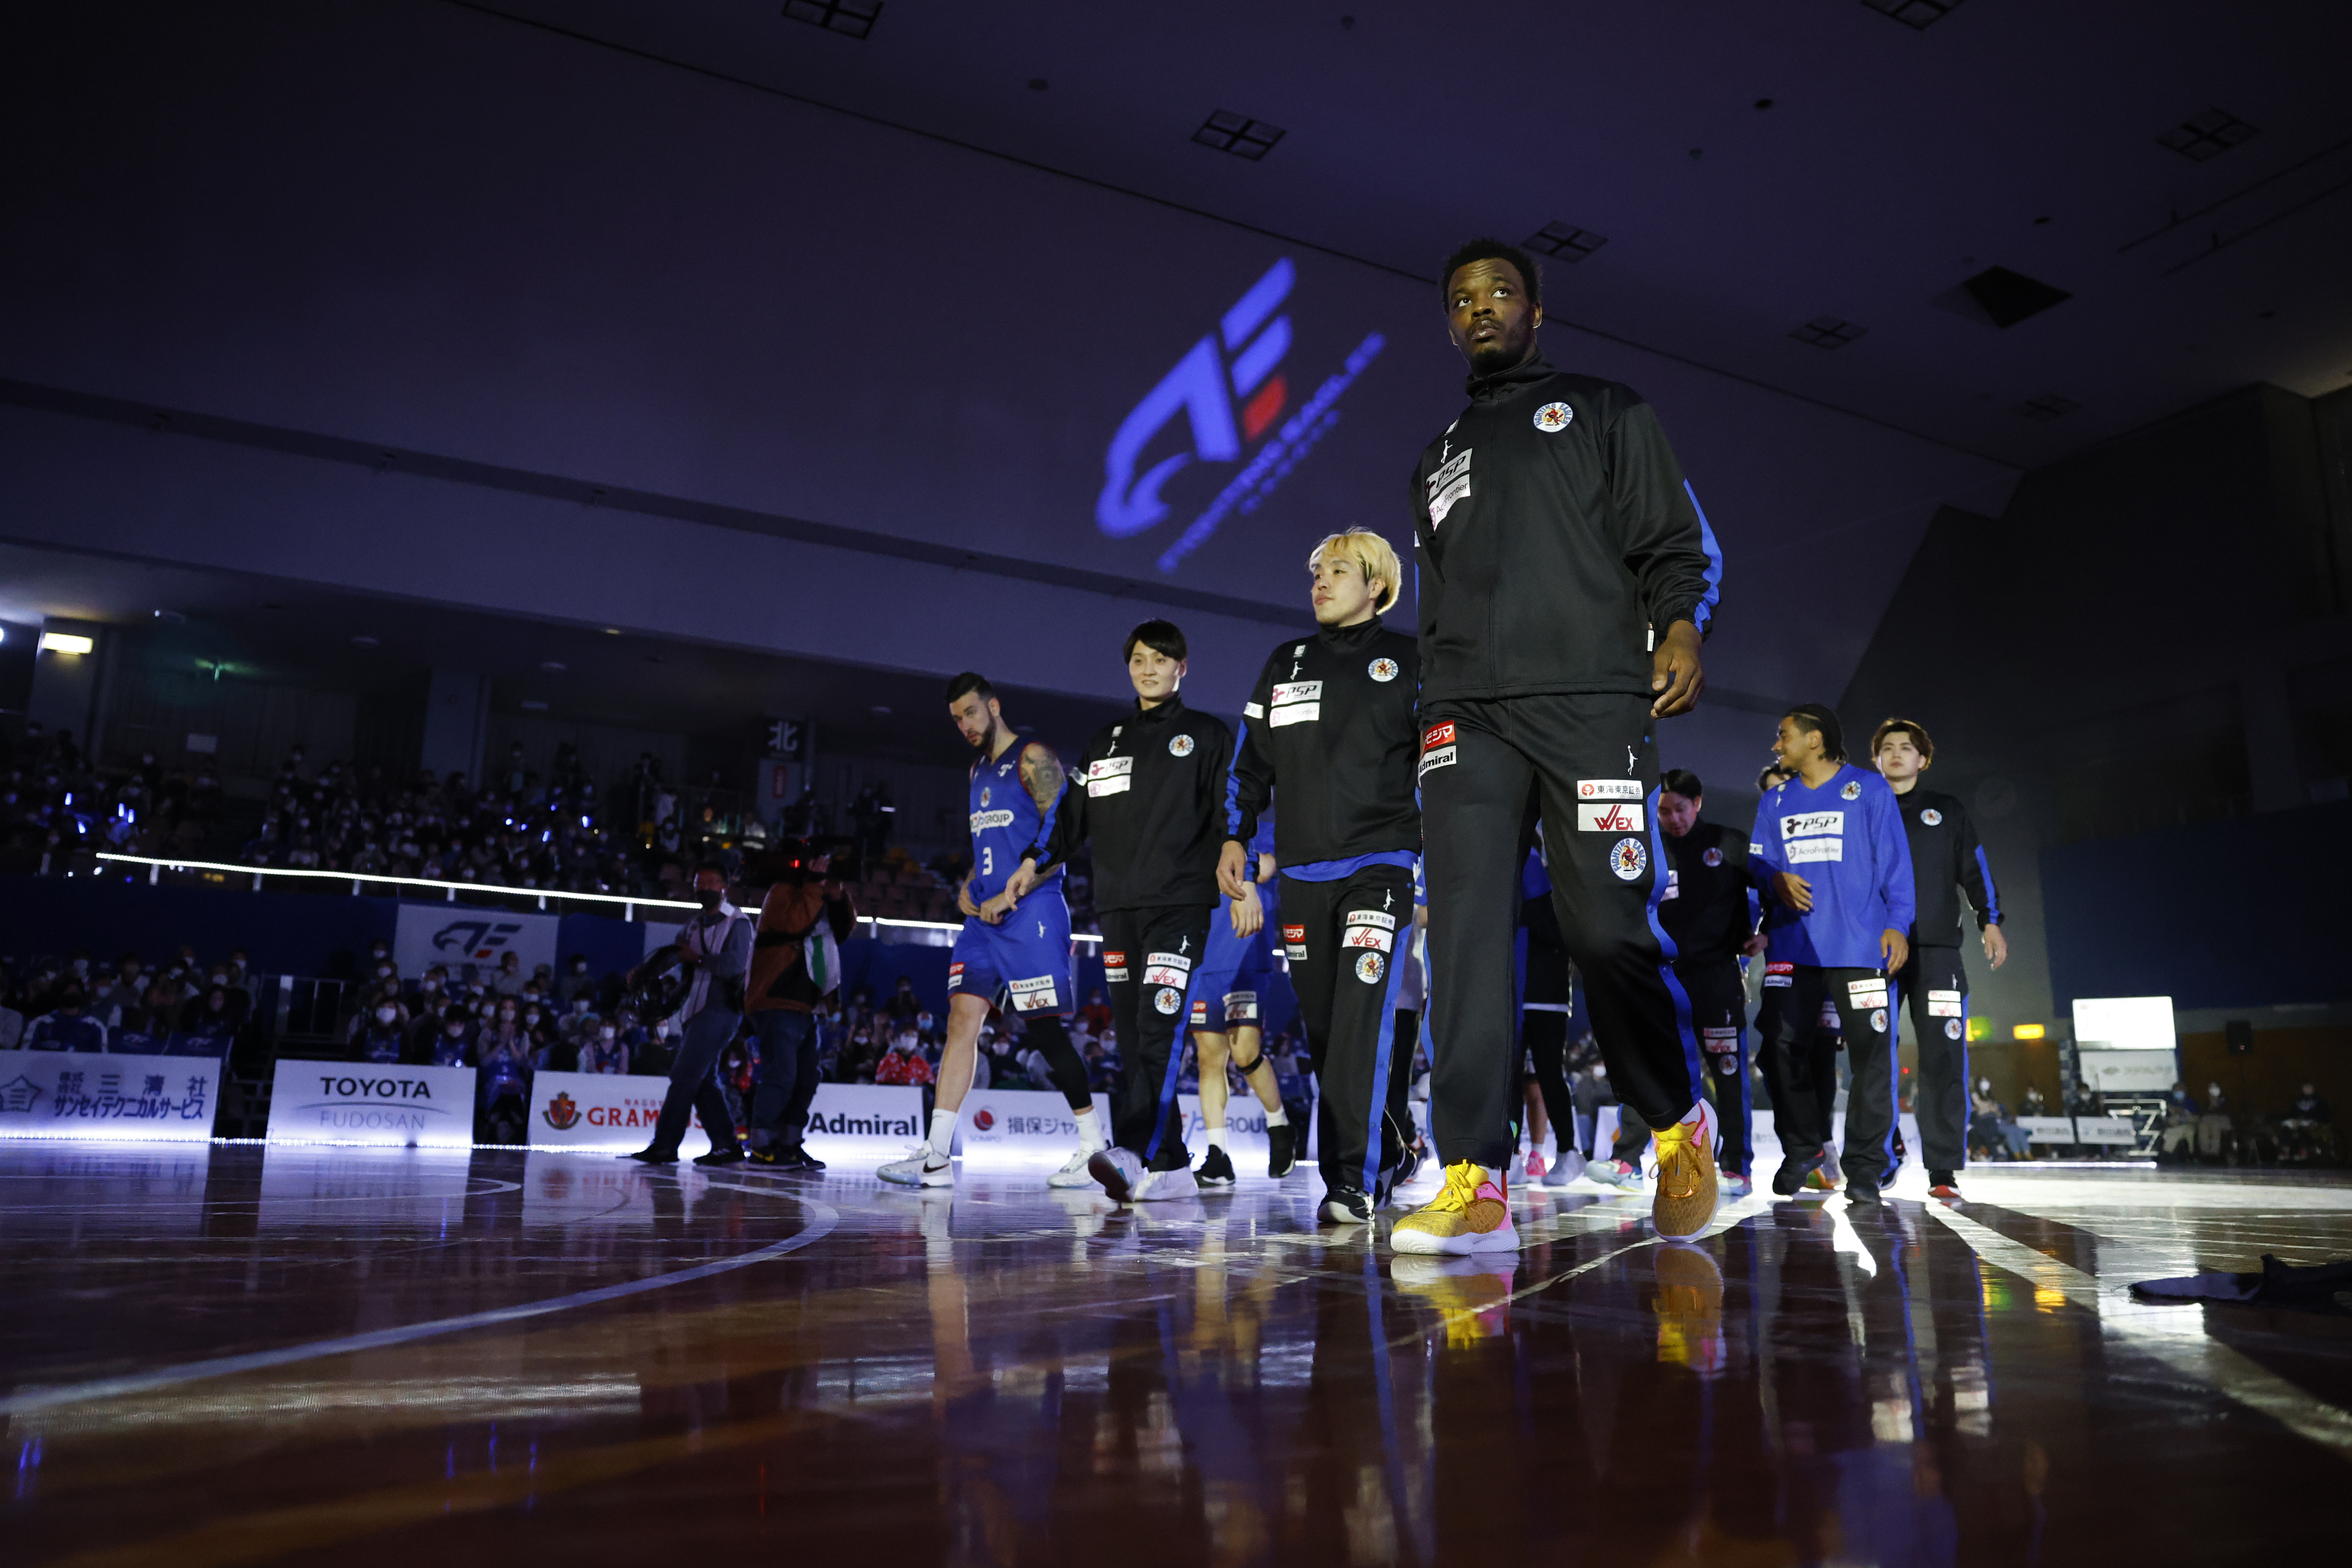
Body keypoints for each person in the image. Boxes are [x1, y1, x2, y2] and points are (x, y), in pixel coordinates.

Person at [1398, 236, 1725, 1253]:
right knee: (1462, 939)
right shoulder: (1436, 456)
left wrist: (1678, 626)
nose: (1479, 308)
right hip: (1465, 716)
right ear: (1448, 324)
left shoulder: (1603, 408)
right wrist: (1429, 709)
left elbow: (1672, 540)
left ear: (1535, 313)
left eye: (1500, 292)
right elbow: (1437, 603)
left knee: (1603, 929)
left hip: (1588, 700)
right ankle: (1473, 1175)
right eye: (1462, 298)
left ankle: (1674, 1120)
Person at [1221, 528, 1423, 1223]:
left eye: (1338, 570)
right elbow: (1248, 765)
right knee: (1329, 1031)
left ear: (1376, 585)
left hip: (1381, 866)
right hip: (1304, 874)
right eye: (1317, 571)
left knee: (1362, 1020)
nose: (1321, 581)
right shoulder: (1285, 663)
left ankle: (1348, 1181)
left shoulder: (1412, 661)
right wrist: (1235, 835)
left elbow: (1444, 769)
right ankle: (1391, 1145)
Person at [1008, 620, 1232, 1202]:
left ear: (1183, 667)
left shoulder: (1208, 734)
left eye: (1160, 659)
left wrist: (1245, 869)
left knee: (1159, 1026)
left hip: (1179, 905)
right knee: (1132, 1035)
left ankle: (1132, 1151)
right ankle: (1172, 1163)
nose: (1148, 669)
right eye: (1138, 660)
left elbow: (1232, 813)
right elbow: (1067, 813)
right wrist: (1033, 859)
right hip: (1117, 908)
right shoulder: (1105, 742)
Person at [880, 673, 1104, 1189]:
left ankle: (1095, 1147)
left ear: (994, 706)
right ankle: (936, 1156)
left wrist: (1014, 890)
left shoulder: (1032, 758)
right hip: (983, 918)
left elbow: (1064, 836)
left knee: (1044, 1030)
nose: (964, 725)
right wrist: (969, 882)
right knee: (962, 1021)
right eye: (956, 718)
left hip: (1032, 909)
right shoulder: (976, 770)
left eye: (971, 713)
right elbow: (991, 844)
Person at [1751, 705, 1914, 1204]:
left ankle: (1864, 1167)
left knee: (1871, 1058)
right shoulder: (1775, 800)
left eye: (1783, 736)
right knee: (1776, 1048)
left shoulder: (1868, 789)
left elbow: (1895, 863)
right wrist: (1774, 878)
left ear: (1814, 740)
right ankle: (1804, 1147)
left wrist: (1897, 924)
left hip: (1860, 948)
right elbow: (1759, 865)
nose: (1776, 745)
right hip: (1793, 947)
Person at [1871, 718, 2006, 1202]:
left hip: (1938, 952)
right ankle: (1881, 1155)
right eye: (1887, 747)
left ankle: (1943, 1167)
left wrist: (1990, 921)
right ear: (1875, 760)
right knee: (1874, 1058)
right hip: (1876, 953)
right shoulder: (1862, 809)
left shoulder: (1946, 810)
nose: (1896, 754)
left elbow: (1975, 869)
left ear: (1923, 759)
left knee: (1944, 1059)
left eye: (1906, 747)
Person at [1652, 768, 1767, 1198]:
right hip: (1665, 979)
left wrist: (1767, 933)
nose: (1674, 819)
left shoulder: (1728, 842)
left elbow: (1773, 885)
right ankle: (1674, 1162)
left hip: (1718, 977)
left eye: (1680, 809)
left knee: (1729, 1071)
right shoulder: (1649, 849)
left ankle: (1737, 1165)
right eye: (1664, 811)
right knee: (1666, 1074)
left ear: (1697, 804)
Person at [1185, 819, 1298, 1184]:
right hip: (1205, 953)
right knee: (1209, 1058)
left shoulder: (1262, 821)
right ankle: (1218, 1156)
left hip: (1247, 948)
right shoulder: (1200, 823)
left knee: (1245, 1052)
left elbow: (1267, 867)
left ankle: (1280, 1126)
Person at [623, 858, 751, 1167]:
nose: (703, 887)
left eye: (710, 882)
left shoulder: (739, 923)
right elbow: (674, 955)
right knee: (703, 1079)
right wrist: (645, 973)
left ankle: (665, 1145)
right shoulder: (694, 924)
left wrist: (698, 960)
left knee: (683, 1075)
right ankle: (726, 1145)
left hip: (721, 1008)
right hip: (696, 1009)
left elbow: (735, 965)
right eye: (699, 883)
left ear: (725, 886)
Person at [742, 839, 857, 1171]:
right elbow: (794, 924)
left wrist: (838, 895)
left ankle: (789, 1143)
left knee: (807, 1078)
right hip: (777, 998)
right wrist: (815, 884)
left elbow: (843, 930)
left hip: (808, 1004)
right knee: (781, 1074)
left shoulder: (818, 894)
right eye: (819, 865)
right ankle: (761, 1146)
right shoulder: (781, 891)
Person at [24, 984, 107, 1052]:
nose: (71, 994)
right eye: (68, 992)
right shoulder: (41, 1023)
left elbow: (101, 1059)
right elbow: (26, 1054)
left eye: (75, 992)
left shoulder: (95, 1026)